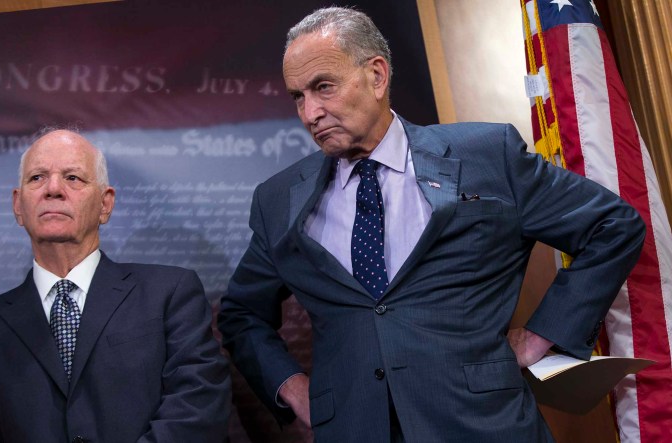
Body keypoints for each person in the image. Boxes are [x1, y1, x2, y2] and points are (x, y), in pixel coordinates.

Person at [218, 7, 645, 442]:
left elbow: (613, 225)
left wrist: (543, 335)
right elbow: (241, 313)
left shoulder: (486, 155)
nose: (310, 113)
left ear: (377, 75)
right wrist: (291, 387)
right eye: (298, 96)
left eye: (323, 87)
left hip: (484, 427)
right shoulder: (278, 200)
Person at [0, 129, 231, 442]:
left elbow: (198, 406)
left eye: (73, 178)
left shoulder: (169, 295)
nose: (53, 189)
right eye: (37, 177)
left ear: (105, 204)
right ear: (18, 206)